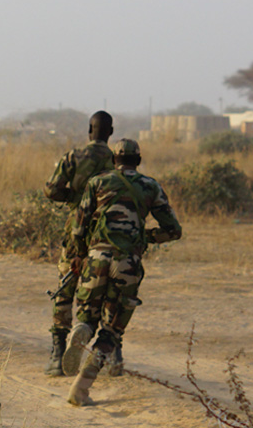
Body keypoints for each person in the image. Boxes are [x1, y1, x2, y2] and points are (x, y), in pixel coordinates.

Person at [64, 139, 181, 406]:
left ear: (114, 160)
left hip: (96, 257)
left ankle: (81, 328)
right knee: (112, 331)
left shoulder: (97, 183)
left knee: (88, 315)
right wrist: (144, 236)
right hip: (127, 263)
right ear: (137, 160)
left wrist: (80, 255)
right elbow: (174, 230)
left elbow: (78, 227)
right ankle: (80, 389)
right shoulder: (150, 186)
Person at [42, 111, 117, 376]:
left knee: (65, 288)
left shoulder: (73, 157)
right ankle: (111, 353)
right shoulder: (116, 159)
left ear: (89, 130)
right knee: (109, 291)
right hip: (107, 233)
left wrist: (74, 198)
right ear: (110, 132)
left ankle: (56, 352)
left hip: (75, 230)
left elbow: (51, 190)